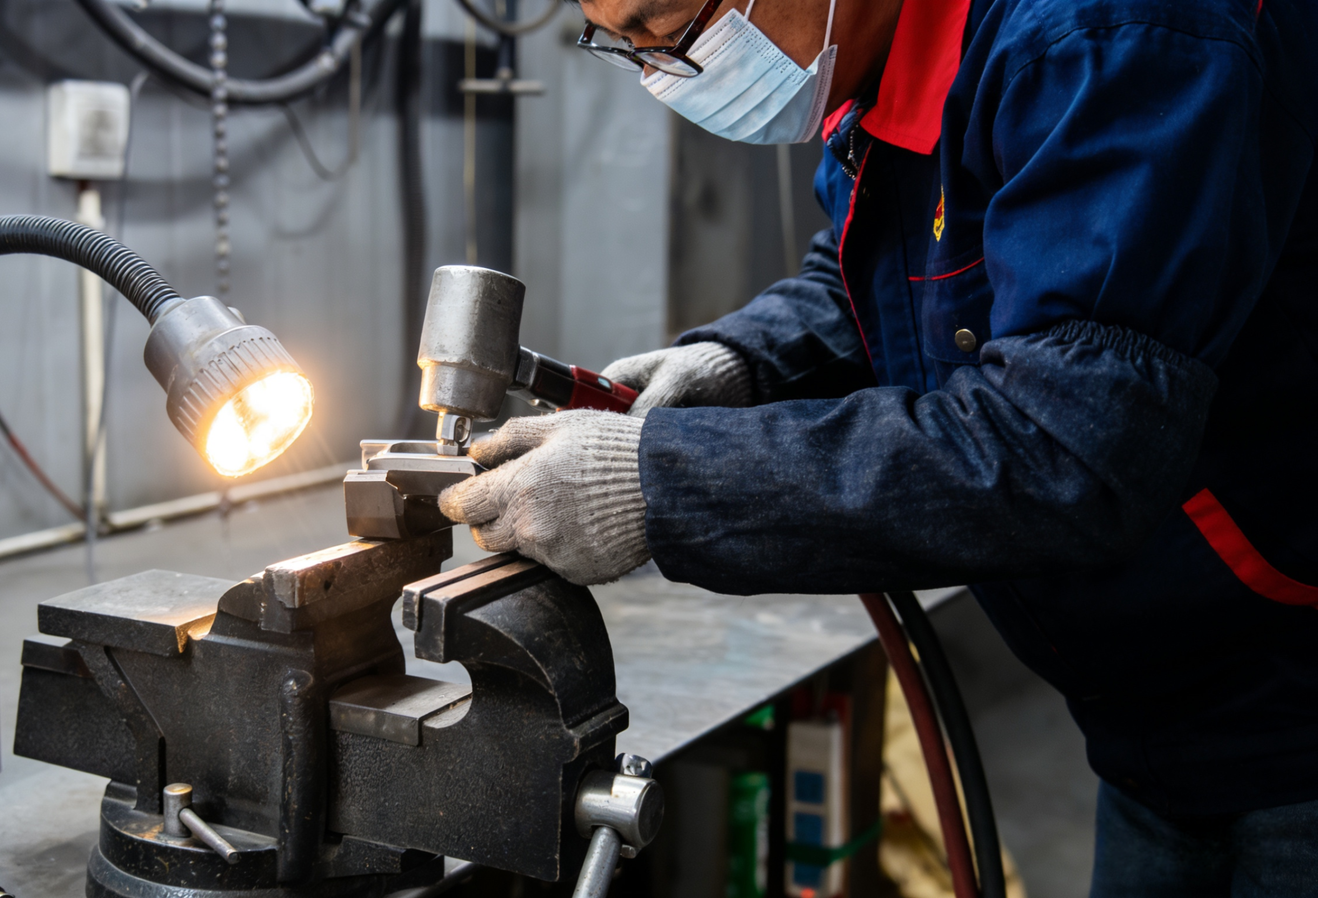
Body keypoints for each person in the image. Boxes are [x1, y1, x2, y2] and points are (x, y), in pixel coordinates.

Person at [435, 0, 1318, 892]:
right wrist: (740, 360)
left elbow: (1067, 449)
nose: (660, 68)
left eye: (666, 24)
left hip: (1287, 701)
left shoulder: (1115, 35)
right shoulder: (891, 64)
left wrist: (655, 483)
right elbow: (893, 270)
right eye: (620, 42)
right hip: (1161, 719)